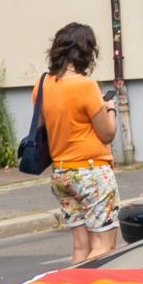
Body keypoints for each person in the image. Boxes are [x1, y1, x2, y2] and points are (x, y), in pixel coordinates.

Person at [39, 22, 121, 264]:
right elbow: (107, 134)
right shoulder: (85, 86)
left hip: (61, 173)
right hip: (90, 173)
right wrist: (111, 110)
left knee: (81, 246)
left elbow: (45, 127)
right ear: (86, 52)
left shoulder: (43, 84)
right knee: (103, 246)